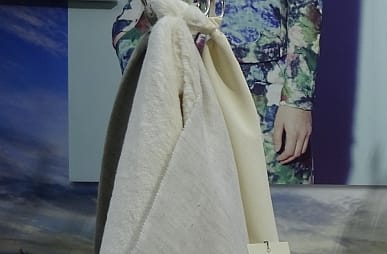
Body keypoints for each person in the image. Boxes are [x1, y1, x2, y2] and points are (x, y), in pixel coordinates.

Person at [112, 0, 322, 184]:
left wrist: (297, 100)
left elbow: (306, 8)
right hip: (182, 92)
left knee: (277, 205)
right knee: (187, 205)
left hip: (264, 95)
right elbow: (130, 22)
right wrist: (153, 80)